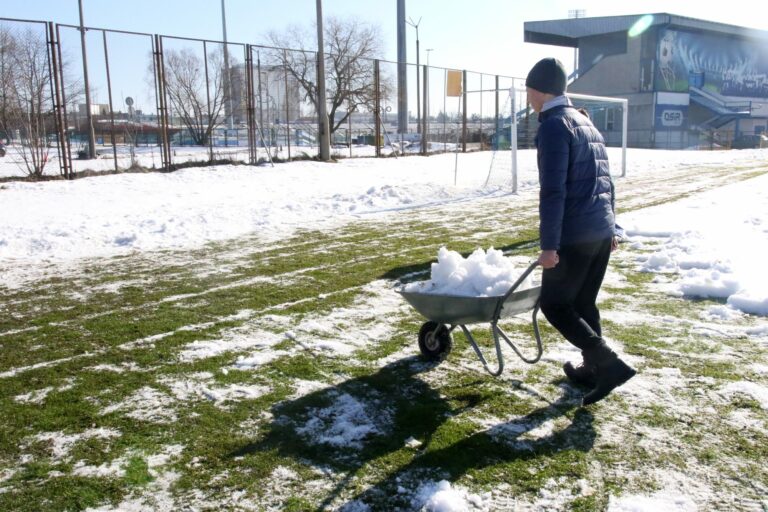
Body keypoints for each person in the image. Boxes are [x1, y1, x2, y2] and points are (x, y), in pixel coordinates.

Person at [525, 57, 636, 406]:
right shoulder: (585, 122)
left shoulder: (555, 126)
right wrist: (612, 227)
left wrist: (549, 246)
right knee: (583, 302)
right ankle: (593, 369)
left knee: (554, 304)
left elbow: (553, 191)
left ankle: (609, 366)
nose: (528, 98)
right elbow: (607, 182)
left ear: (540, 91)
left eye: (529, 91)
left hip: (575, 233)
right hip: (599, 230)